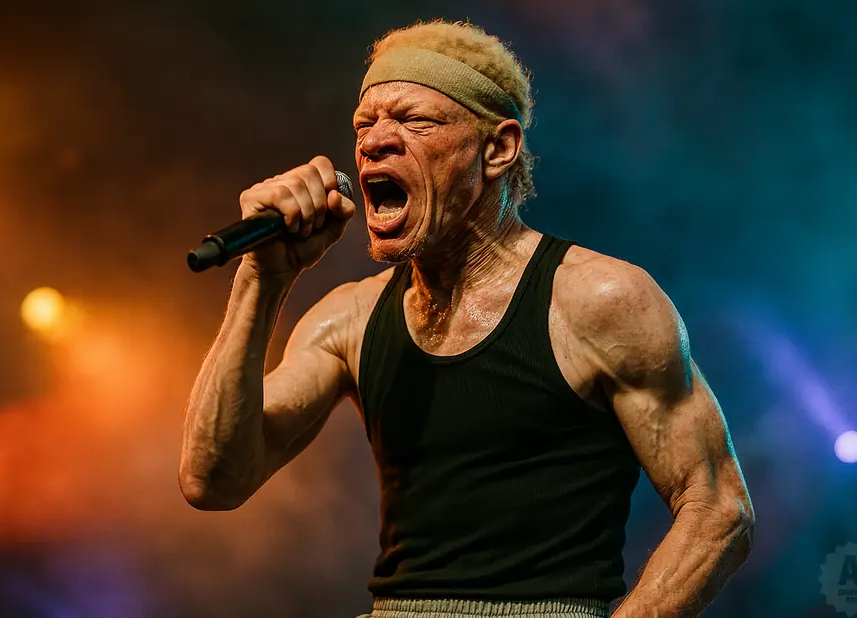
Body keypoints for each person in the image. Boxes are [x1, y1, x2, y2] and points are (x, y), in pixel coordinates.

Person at [179, 19, 754, 618]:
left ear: (498, 148)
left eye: (413, 120)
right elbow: (212, 482)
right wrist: (261, 281)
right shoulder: (348, 318)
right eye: (365, 125)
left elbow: (718, 509)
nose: (375, 141)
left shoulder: (599, 299)